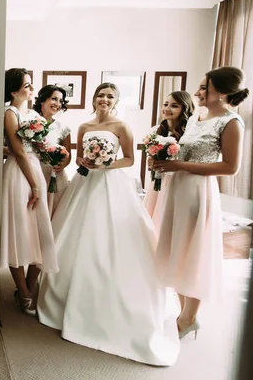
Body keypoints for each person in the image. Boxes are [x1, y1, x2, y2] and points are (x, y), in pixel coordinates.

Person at [37, 83, 180, 366]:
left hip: (112, 184)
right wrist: (86, 161)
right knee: (75, 235)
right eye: (101, 95)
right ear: (94, 99)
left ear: (115, 101)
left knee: (112, 237)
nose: (104, 100)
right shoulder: (84, 126)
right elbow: (78, 157)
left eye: (110, 96)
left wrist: (105, 165)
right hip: (85, 184)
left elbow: (129, 159)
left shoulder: (121, 126)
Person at [152, 66, 249, 339]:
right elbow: (182, 151)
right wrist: (164, 162)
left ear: (221, 91)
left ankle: (188, 317)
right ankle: (185, 313)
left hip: (198, 191)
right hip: (178, 187)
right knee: (177, 248)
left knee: (193, 251)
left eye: (204, 87)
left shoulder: (231, 122)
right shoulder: (197, 117)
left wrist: (180, 164)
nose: (197, 92)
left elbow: (230, 167)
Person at [0, 69, 58, 316]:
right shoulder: (9, 113)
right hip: (18, 174)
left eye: (32, 85)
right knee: (19, 229)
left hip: (36, 169)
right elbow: (19, 151)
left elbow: (37, 147)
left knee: (40, 229)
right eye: (27, 86)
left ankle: (30, 286)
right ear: (14, 91)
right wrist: (33, 184)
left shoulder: (34, 115)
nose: (32, 89)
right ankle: (22, 291)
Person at [143, 91, 194, 218]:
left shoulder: (190, 133)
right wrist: (151, 162)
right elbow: (151, 158)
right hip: (159, 181)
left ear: (185, 109)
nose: (167, 109)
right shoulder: (155, 130)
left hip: (181, 181)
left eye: (174, 106)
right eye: (165, 104)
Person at [33, 85, 72, 216]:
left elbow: (68, 155)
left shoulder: (63, 127)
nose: (58, 104)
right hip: (34, 172)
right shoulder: (30, 123)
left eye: (61, 101)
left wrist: (62, 165)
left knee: (57, 212)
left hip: (55, 175)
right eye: (54, 99)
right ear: (43, 100)